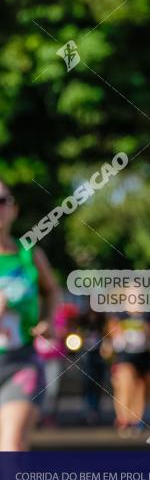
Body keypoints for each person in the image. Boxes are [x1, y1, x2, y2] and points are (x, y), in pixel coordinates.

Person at [0, 179, 61, 450]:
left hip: (20, 361)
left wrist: (48, 320)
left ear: (14, 209)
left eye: (3, 201)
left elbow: (52, 291)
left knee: (12, 445)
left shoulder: (29, 255)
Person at [107, 289, 150, 436]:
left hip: (144, 356)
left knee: (140, 387)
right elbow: (112, 335)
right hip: (124, 356)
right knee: (126, 384)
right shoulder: (119, 316)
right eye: (133, 296)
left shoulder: (149, 316)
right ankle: (123, 418)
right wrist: (119, 337)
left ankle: (136, 419)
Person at [79, 307, 107, 425]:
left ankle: (95, 408)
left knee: (98, 382)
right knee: (87, 382)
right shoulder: (82, 321)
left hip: (100, 355)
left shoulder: (103, 321)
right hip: (86, 354)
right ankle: (88, 409)